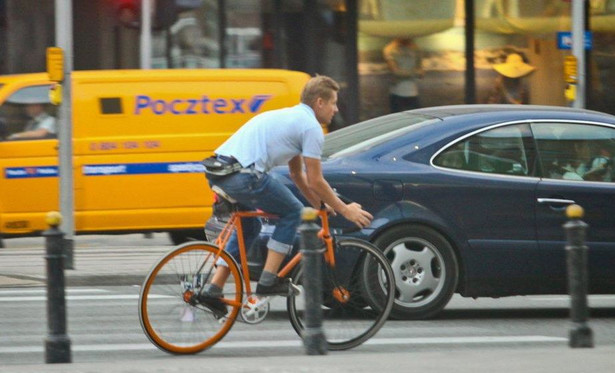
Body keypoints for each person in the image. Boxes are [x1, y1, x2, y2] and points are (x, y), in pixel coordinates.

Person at [200, 75, 374, 316]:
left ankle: (214, 289)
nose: (336, 109)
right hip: (244, 174)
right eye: (333, 103)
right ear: (320, 102)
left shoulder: (290, 118)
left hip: (220, 172)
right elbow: (316, 178)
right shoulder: (311, 127)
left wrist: (321, 205)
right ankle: (268, 280)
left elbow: (297, 175)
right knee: (293, 213)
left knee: (249, 228)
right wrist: (345, 209)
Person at [383, 37, 424, 113]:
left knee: (416, 120)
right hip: (397, 92)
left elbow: (421, 73)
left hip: (412, 91)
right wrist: (414, 73)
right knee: (398, 119)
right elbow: (396, 72)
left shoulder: (415, 48)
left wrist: (406, 74)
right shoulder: (390, 49)